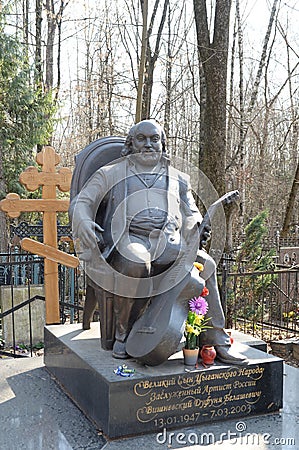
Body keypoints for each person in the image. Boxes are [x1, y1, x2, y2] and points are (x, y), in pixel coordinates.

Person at [71, 119, 248, 365]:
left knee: (207, 264)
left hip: (169, 241)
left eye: (154, 139)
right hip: (129, 239)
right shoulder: (109, 173)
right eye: (141, 139)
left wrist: (196, 226)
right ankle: (124, 334)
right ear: (130, 144)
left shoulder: (178, 178)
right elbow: (82, 203)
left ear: (163, 144)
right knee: (135, 262)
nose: (148, 144)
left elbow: (191, 213)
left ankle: (215, 339)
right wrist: (85, 222)